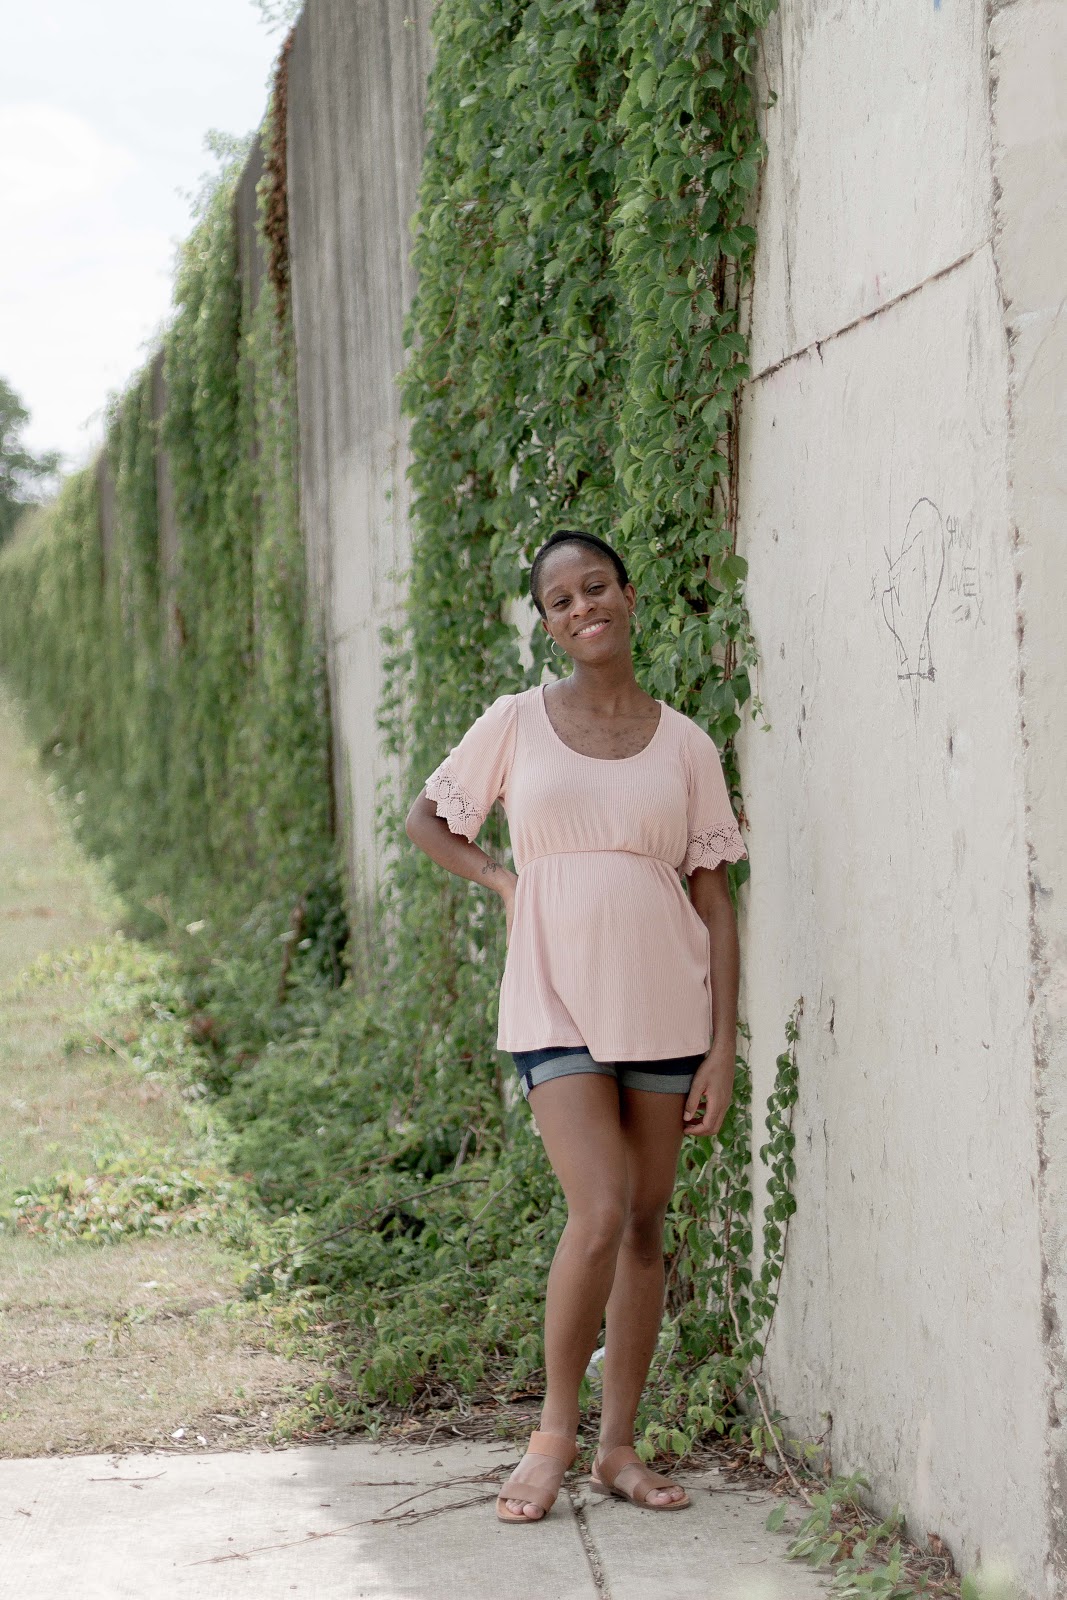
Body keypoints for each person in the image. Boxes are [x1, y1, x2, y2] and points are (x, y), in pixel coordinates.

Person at [405, 529, 747, 1524]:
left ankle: (620, 1450)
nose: (580, 607)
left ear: (626, 595)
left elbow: (713, 898)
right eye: (559, 600)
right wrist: (504, 880)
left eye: (594, 587)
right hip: (551, 995)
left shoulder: (685, 742)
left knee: (643, 1228)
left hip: (664, 1004)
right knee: (595, 1210)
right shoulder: (516, 721)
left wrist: (721, 1043)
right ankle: (552, 1437)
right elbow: (431, 818)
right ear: (548, 623)